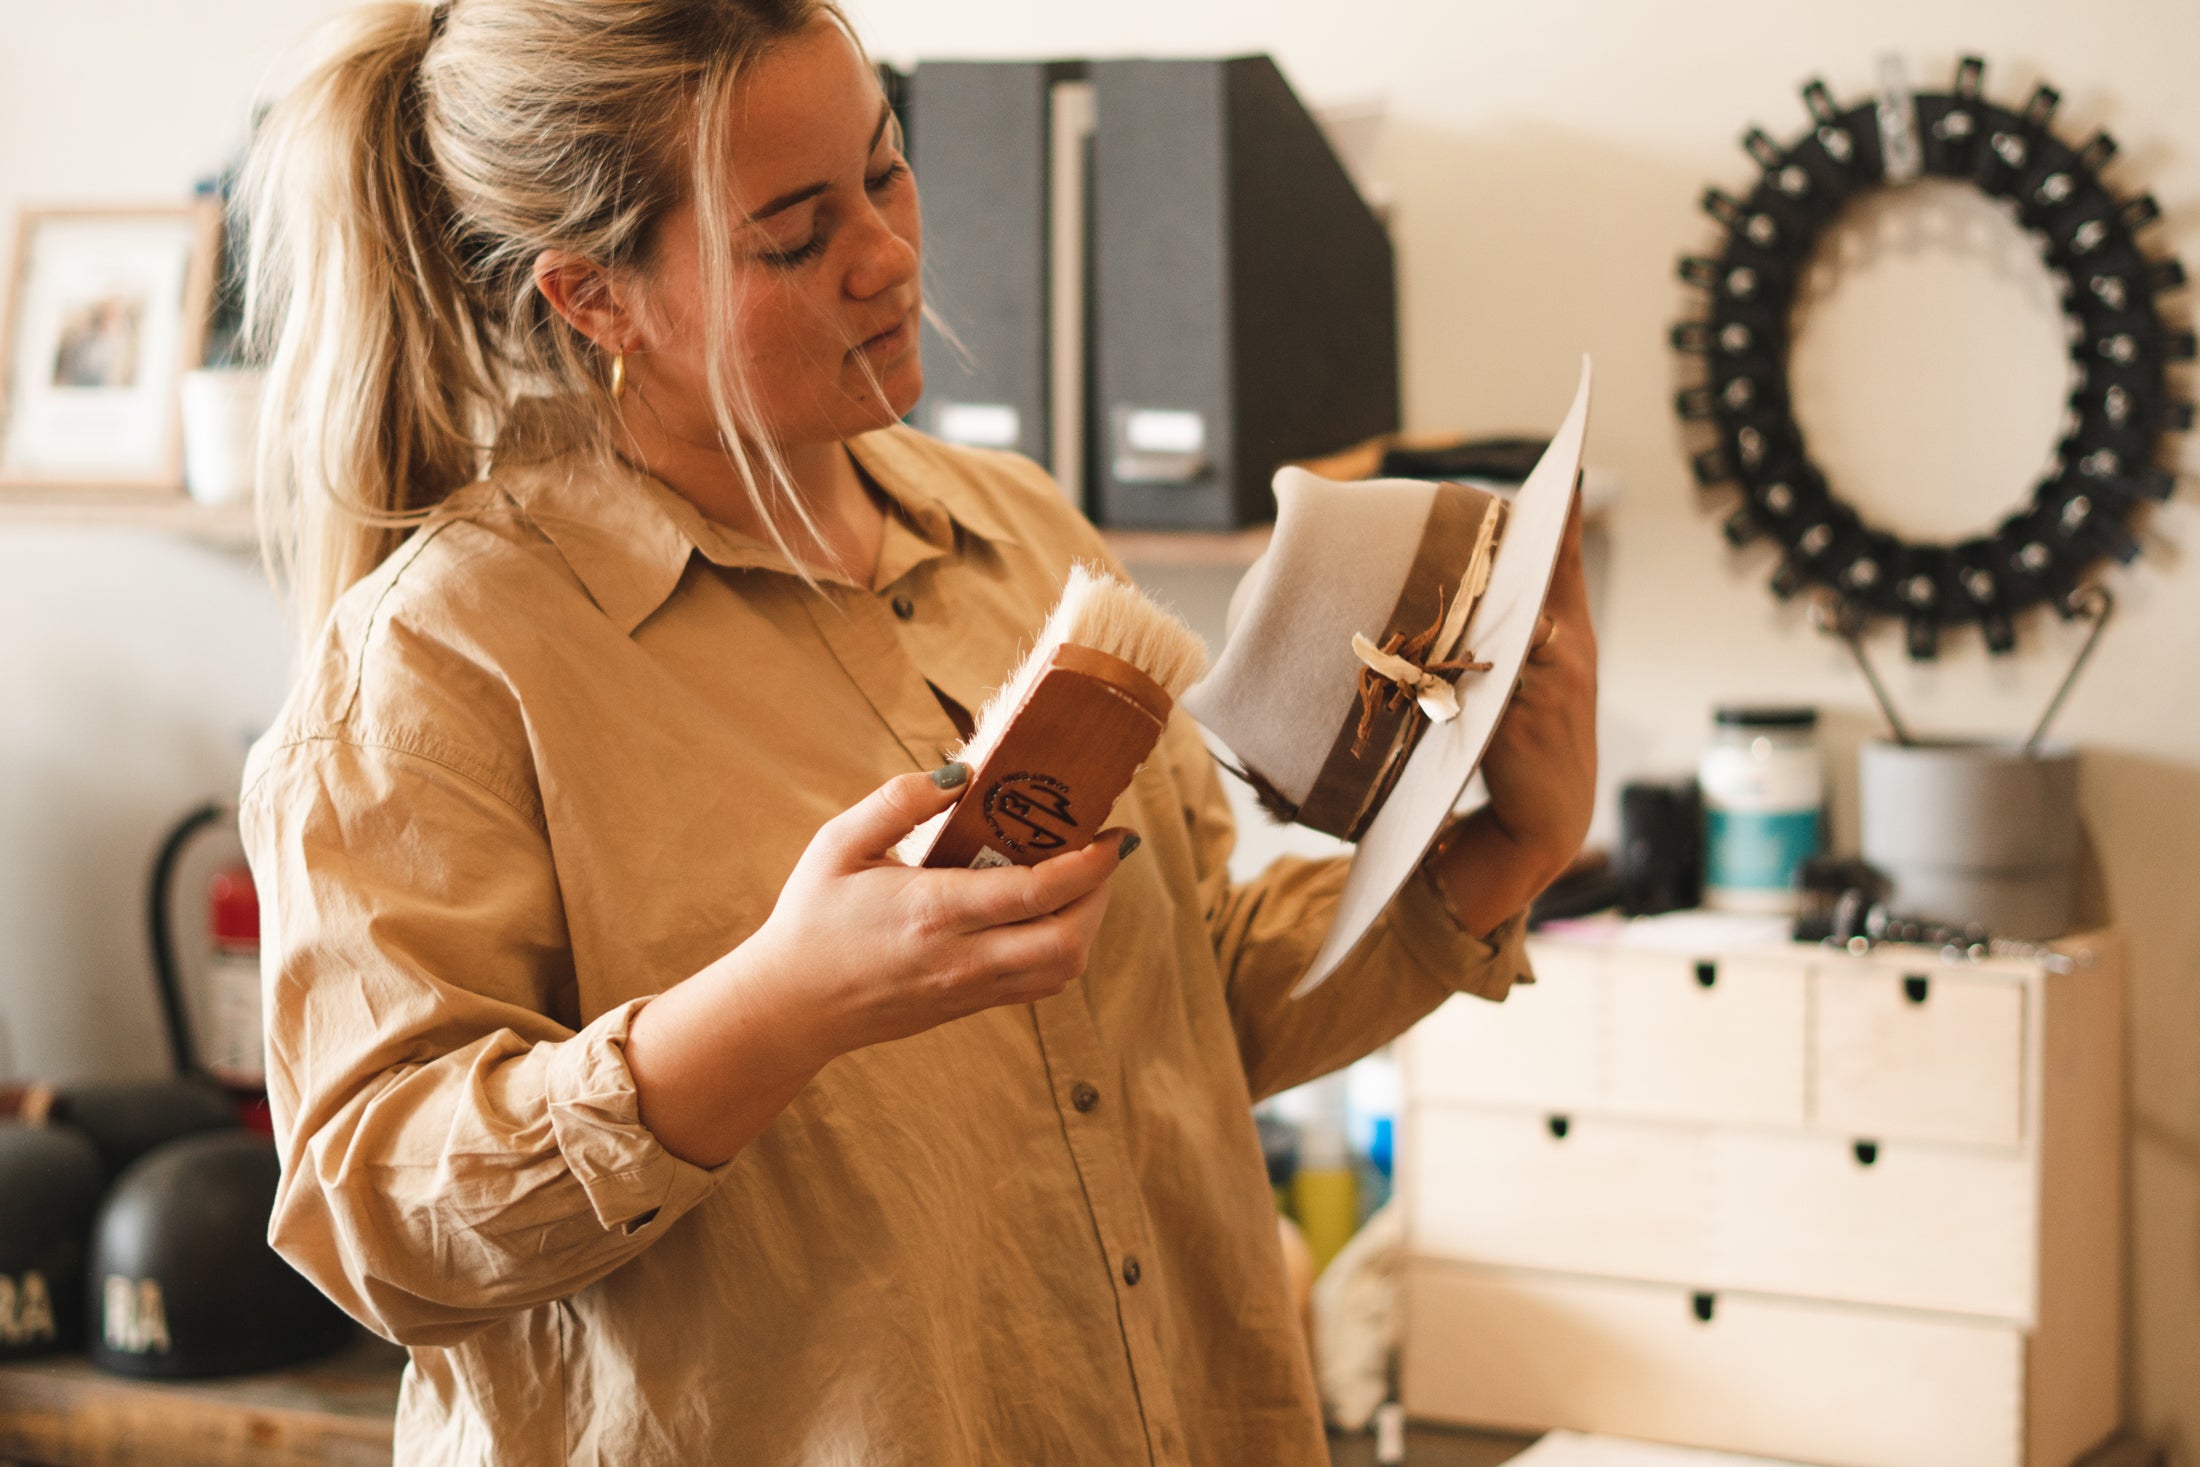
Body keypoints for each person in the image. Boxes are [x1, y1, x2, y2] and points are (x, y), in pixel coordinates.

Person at [236, 1, 1598, 1462]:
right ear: (594, 299)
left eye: (886, 173)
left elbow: (1194, 1015)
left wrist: (1505, 848)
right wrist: (776, 1009)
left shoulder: (1017, 530)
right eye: (795, 235)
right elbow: (376, 1226)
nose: (886, 258)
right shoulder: (441, 664)